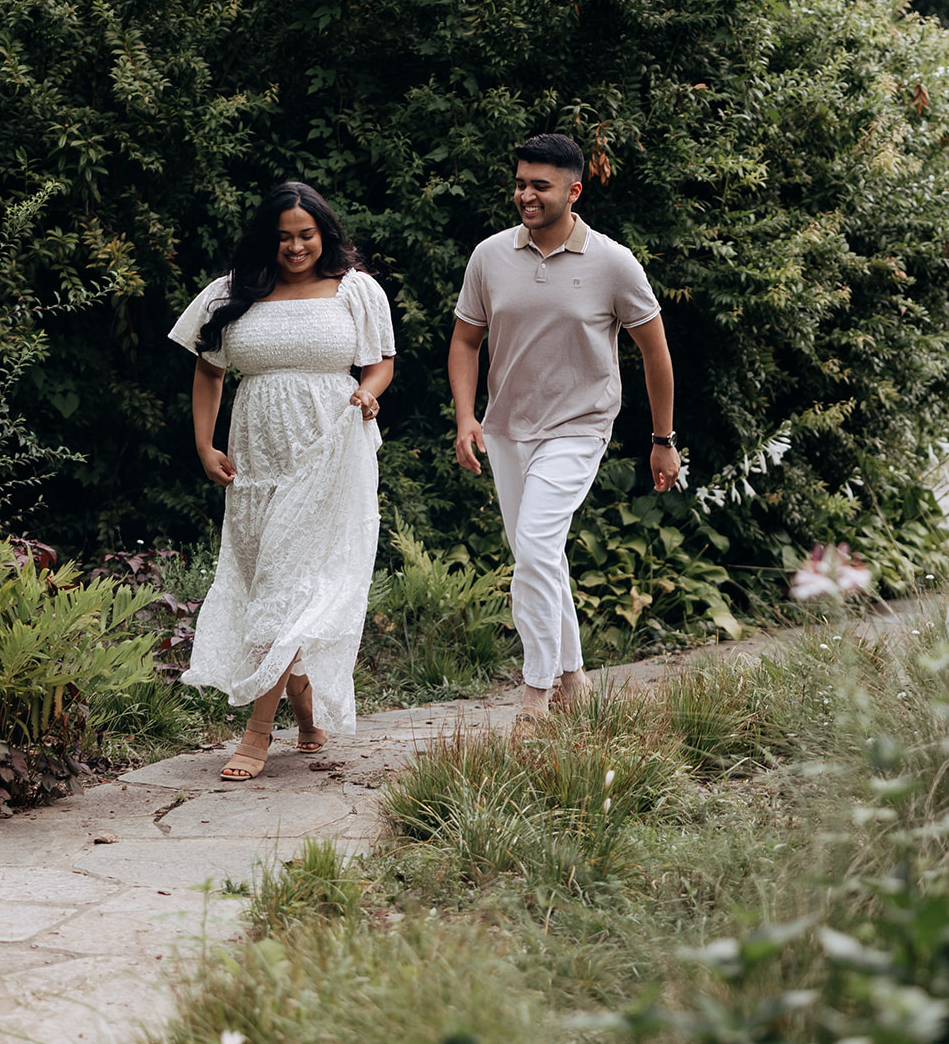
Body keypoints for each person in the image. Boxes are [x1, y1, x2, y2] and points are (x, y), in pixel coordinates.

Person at [448, 133, 680, 725]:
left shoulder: (611, 262)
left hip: (579, 426)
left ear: (573, 191)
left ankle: (536, 691)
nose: (526, 194)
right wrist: (466, 416)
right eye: (521, 182)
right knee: (540, 555)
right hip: (506, 428)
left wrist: (662, 439)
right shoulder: (489, 256)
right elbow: (466, 340)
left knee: (534, 548)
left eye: (540, 185)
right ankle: (575, 678)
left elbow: (654, 351)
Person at [169, 181, 395, 780]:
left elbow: (381, 363)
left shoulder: (356, 290)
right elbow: (208, 371)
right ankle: (303, 707)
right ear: (267, 239)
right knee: (265, 582)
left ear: (324, 234)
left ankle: (255, 734)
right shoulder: (230, 294)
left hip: (329, 451)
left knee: (285, 586)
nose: (296, 247)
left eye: (306, 235)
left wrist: (367, 396)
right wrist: (203, 442)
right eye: (284, 237)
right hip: (255, 461)